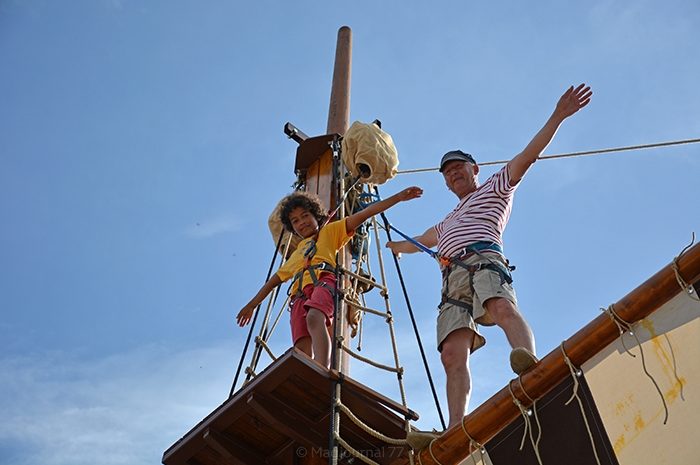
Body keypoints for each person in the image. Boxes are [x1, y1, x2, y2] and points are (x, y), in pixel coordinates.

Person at [387, 84, 592, 428]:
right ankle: (455, 426)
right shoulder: (447, 221)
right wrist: (390, 243)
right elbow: (419, 241)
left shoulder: (496, 186)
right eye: (448, 174)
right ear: (448, 185)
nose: (453, 174)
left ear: (474, 168)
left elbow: (528, 155)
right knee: (452, 354)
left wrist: (558, 116)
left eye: (458, 168)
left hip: (482, 260)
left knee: (500, 308)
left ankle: (530, 364)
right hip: (452, 279)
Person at [237, 186, 423, 368]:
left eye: (305, 216)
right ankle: (307, 376)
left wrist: (398, 197)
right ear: (292, 228)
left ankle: (320, 369)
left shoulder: (330, 231)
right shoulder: (297, 253)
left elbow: (365, 213)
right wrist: (252, 305)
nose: (301, 222)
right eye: (295, 221)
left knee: (314, 318)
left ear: (316, 215)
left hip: (324, 283)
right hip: (299, 295)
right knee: (301, 345)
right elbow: (273, 281)